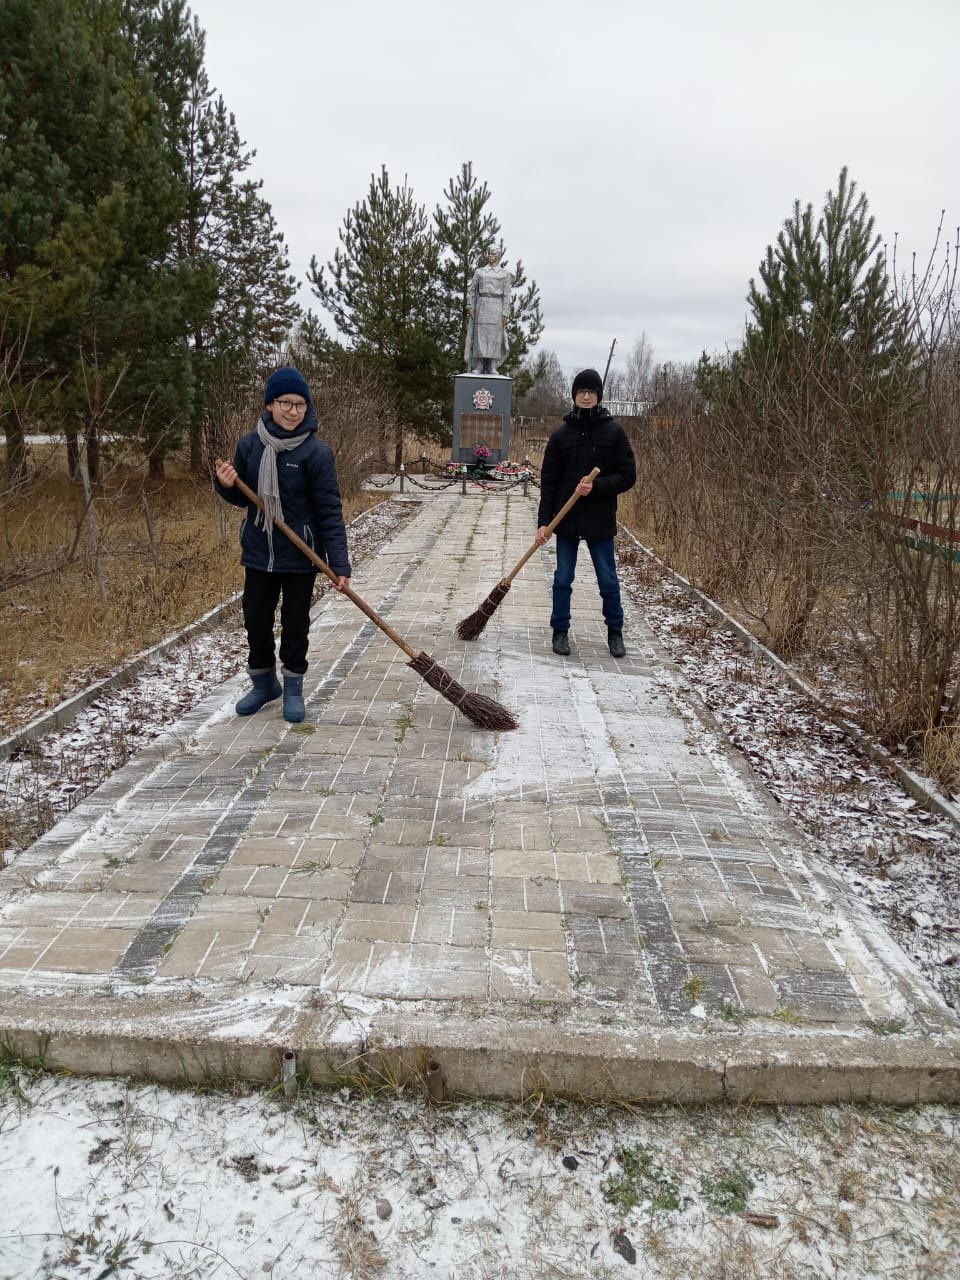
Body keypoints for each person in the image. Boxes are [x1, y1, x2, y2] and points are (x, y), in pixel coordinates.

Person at [215, 367, 351, 723]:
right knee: (256, 620)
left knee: (295, 624)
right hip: (259, 552)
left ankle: (293, 688)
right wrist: (226, 484)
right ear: (270, 404)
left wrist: (340, 564)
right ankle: (263, 684)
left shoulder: (315, 452)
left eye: (300, 404)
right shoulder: (250, 445)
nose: (294, 411)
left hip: (300, 556)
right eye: (286, 403)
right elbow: (240, 499)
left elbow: (329, 510)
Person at [534, 368, 637, 658]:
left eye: (591, 391)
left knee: (608, 579)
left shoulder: (614, 433)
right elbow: (549, 482)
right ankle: (560, 631)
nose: (587, 396)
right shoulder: (560, 436)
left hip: (600, 521)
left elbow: (628, 475)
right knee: (562, 578)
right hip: (565, 521)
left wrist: (598, 486)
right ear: (574, 396)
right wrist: (544, 523)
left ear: (599, 396)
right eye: (582, 392)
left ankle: (615, 633)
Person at [464, 247, 512, 374]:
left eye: (492, 254)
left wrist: (505, 312)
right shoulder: (480, 272)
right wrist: (470, 306)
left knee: (495, 336)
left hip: (497, 306)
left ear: (498, 256)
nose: (489, 256)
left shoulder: (504, 274)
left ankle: (492, 365)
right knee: (481, 334)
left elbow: (507, 294)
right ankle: (479, 365)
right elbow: (472, 289)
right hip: (482, 305)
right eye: (488, 253)